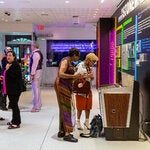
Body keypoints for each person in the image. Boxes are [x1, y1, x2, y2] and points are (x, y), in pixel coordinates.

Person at [54, 48, 81, 142]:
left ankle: (62, 130)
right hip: (62, 85)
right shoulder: (66, 61)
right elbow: (61, 74)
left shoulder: (69, 61)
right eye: (78, 55)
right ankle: (67, 134)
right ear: (74, 55)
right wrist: (74, 76)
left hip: (65, 85)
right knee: (66, 108)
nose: (79, 57)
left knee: (63, 108)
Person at [74, 53, 99, 130]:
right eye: (93, 62)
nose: (94, 64)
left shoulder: (89, 67)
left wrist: (91, 77)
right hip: (81, 90)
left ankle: (86, 121)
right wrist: (86, 76)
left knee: (88, 106)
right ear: (88, 60)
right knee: (80, 107)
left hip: (88, 89)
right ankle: (77, 122)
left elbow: (91, 78)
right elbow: (75, 77)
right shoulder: (80, 66)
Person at [3, 51, 22, 129]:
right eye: (7, 55)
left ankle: (16, 123)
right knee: (13, 105)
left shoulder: (15, 65)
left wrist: (7, 70)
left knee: (14, 105)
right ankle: (14, 120)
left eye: (10, 55)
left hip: (15, 89)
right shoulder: (10, 65)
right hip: (11, 89)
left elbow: (14, 76)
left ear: (14, 57)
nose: (8, 57)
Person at [30, 41, 43, 112]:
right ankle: (39, 105)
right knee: (37, 89)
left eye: (31, 46)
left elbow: (34, 65)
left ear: (34, 46)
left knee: (35, 90)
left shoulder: (36, 54)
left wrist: (32, 74)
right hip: (38, 71)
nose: (30, 47)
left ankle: (36, 106)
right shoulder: (37, 53)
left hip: (36, 72)